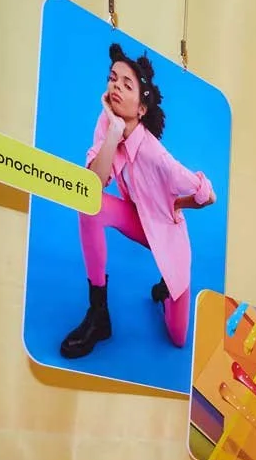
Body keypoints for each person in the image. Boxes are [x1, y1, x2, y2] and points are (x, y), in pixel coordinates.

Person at [60, 43, 216, 359]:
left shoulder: (157, 156)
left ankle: (165, 291)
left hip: (165, 233)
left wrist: (179, 206)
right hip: (135, 217)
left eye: (126, 84)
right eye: (112, 78)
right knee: (88, 203)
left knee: (177, 339)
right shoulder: (107, 124)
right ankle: (98, 314)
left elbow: (208, 194)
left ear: (141, 108)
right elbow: (93, 184)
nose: (115, 85)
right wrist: (115, 130)